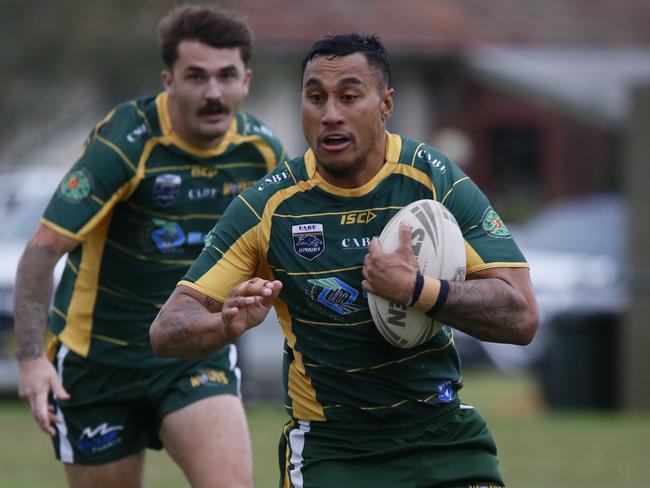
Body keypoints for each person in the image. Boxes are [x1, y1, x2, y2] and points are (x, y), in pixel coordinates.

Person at [150, 33, 539, 488]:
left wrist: (417, 290)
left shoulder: (434, 179)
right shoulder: (269, 205)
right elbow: (167, 328)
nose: (330, 114)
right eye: (315, 98)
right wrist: (224, 326)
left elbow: (522, 316)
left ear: (385, 104)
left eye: (349, 96)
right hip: (333, 452)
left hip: (441, 436)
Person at [14, 5, 285, 488]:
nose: (214, 93)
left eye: (227, 76)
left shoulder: (262, 152)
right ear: (169, 81)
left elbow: (291, 251)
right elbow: (41, 250)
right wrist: (32, 361)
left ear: (246, 79)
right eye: (196, 77)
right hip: (99, 364)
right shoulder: (126, 142)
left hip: (193, 356)